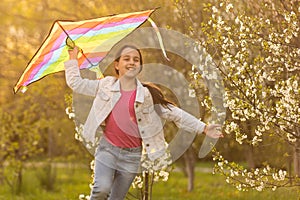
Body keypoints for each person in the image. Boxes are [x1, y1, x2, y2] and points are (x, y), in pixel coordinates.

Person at [64, 45, 223, 200]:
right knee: (101, 190)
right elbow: (76, 83)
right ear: (117, 65)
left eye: (136, 60)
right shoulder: (105, 85)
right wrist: (73, 58)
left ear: (139, 67)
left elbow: (174, 113)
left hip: (132, 156)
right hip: (108, 150)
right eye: (126, 59)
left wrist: (204, 128)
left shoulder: (147, 95)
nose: (131, 62)